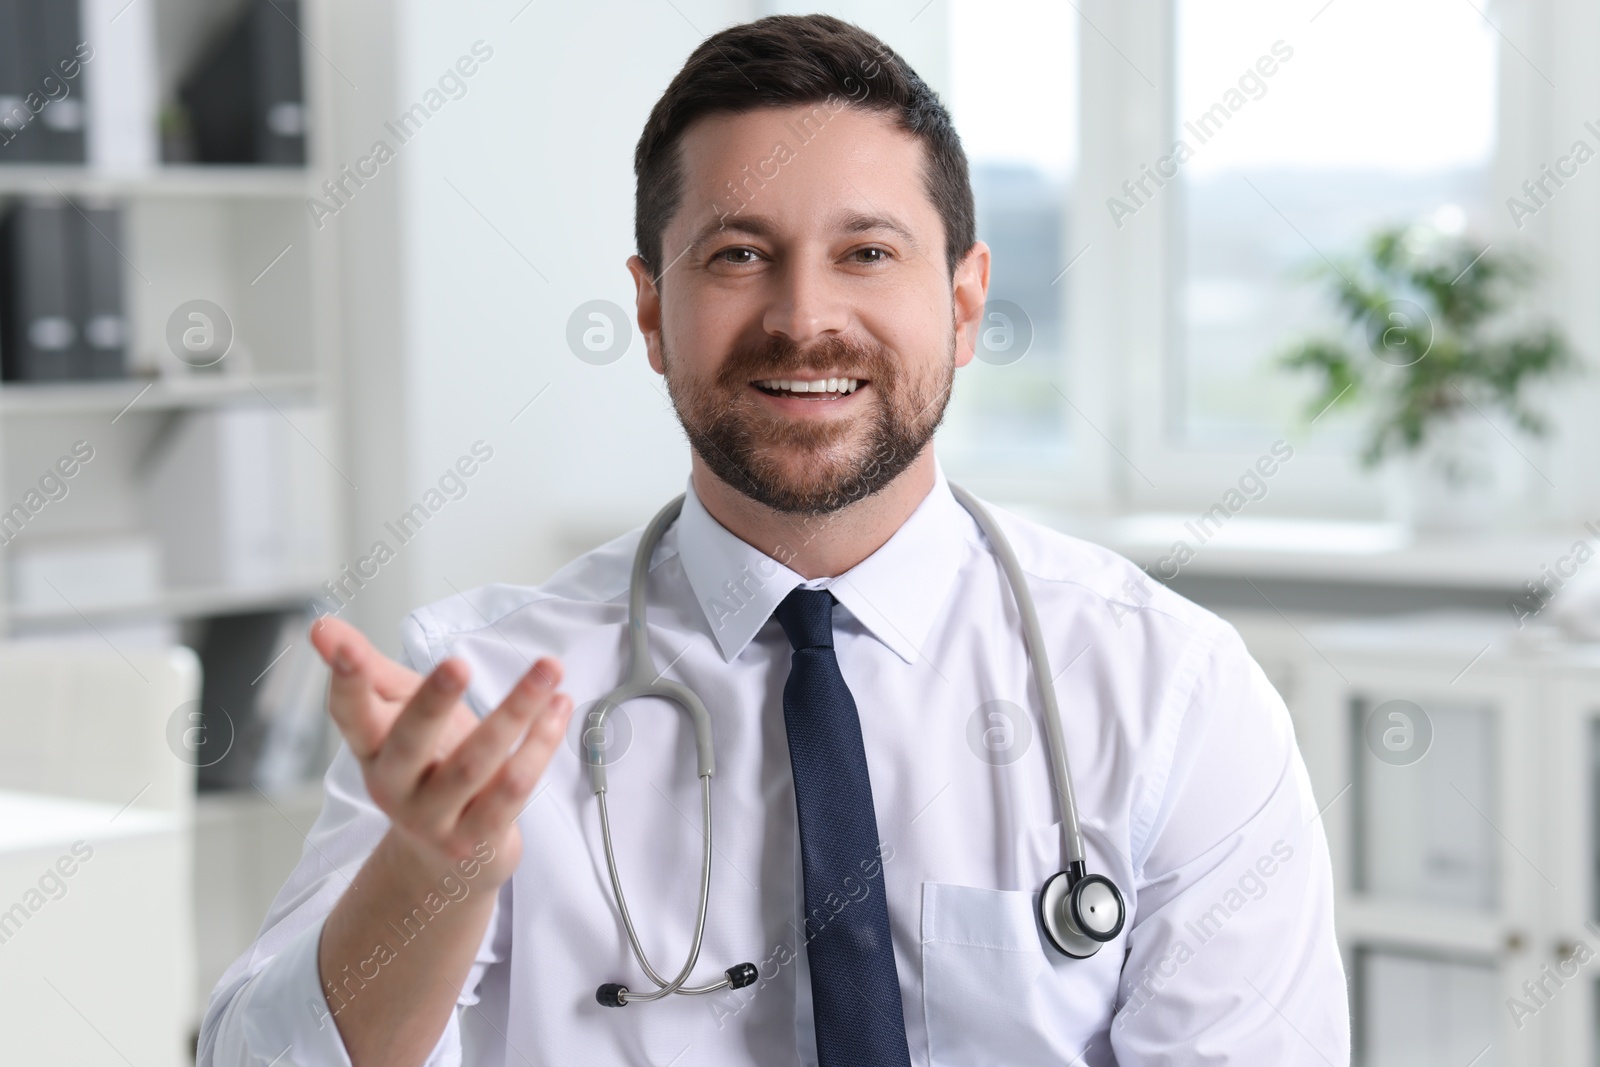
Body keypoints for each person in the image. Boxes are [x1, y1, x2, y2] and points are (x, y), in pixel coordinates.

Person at [199, 14, 1348, 1066]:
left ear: (962, 300)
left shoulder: (1172, 690)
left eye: (866, 253)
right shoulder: (479, 696)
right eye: (738, 254)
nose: (804, 316)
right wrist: (430, 879)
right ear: (651, 312)